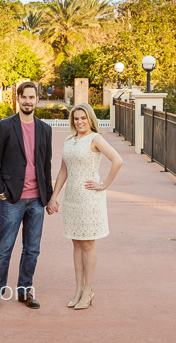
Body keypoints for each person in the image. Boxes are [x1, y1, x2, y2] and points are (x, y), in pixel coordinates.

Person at [47, 103, 123, 310]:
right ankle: (78, 289)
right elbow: (63, 170)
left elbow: (117, 160)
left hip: (89, 199)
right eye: (76, 118)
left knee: (88, 244)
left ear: (90, 119)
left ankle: (88, 291)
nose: (79, 122)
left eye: (83, 118)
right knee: (76, 244)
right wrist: (54, 197)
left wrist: (104, 185)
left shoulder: (95, 138)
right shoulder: (69, 140)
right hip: (72, 198)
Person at [0, 82, 53, 311]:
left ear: (37, 100)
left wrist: (49, 197)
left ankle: (24, 291)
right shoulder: (4, 127)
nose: (27, 101)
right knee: (4, 247)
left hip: (37, 200)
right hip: (12, 199)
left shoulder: (45, 129)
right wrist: (0, 190)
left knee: (32, 249)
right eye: (23, 97)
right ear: (18, 99)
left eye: (31, 97)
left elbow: (46, 166)